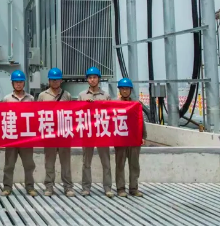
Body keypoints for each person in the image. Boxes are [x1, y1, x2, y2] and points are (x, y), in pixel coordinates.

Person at [37, 68, 75, 197]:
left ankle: (68, 187)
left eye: (57, 80)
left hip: (63, 134)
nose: (55, 82)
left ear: (61, 81)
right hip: (49, 134)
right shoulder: (42, 96)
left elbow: (72, 113)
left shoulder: (67, 95)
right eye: (52, 80)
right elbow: (37, 114)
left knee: (66, 163)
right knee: (49, 162)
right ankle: (49, 186)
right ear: (49, 81)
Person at [79, 66, 114, 198]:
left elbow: (110, 113)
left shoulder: (106, 96)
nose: (92, 80)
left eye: (94, 77)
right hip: (88, 132)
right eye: (90, 77)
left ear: (99, 79)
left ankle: (107, 188)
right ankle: (86, 188)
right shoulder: (82, 96)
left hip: (102, 132)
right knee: (86, 162)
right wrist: (85, 105)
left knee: (106, 162)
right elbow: (77, 113)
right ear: (87, 79)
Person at [2, 70, 38, 197]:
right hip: (12, 137)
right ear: (12, 83)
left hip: (26, 137)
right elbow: (2, 117)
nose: (18, 84)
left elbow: (35, 116)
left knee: (29, 164)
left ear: (24, 83)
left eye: (21, 82)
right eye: (16, 82)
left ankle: (30, 187)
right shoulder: (7, 99)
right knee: (9, 165)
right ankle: (7, 187)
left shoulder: (31, 98)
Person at [114, 77, 146, 197]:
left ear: (130, 90)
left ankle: (134, 188)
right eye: (122, 89)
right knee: (120, 165)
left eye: (127, 89)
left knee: (134, 165)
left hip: (134, 139)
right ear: (119, 90)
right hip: (121, 139)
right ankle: (120, 188)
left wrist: (143, 136)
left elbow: (141, 121)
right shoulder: (115, 104)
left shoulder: (136, 105)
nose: (125, 91)